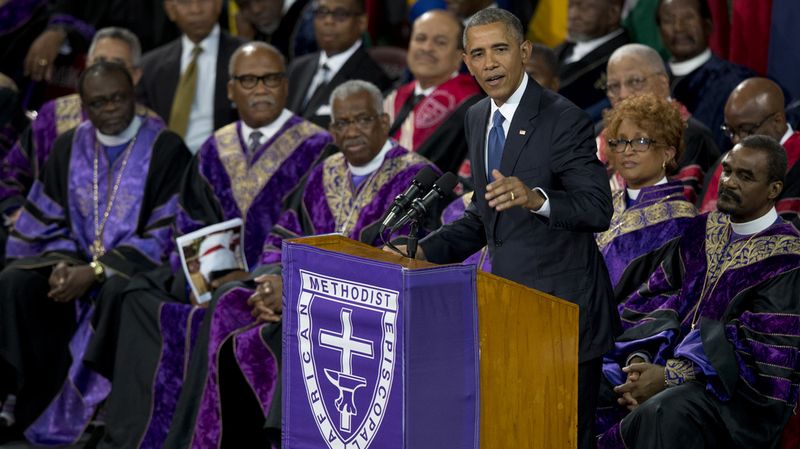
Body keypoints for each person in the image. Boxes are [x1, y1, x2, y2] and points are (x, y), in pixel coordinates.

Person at [161, 80, 440, 449]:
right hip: (303, 298)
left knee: (265, 338)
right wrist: (272, 283)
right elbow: (282, 235)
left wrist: (292, 292)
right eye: (341, 123)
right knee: (229, 298)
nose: (352, 132)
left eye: (362, 120)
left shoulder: (416, 179)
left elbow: (395, 261)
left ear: (384, 121)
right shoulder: (324, 172)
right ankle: (207, 438)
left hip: (362, 313)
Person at [90, 41, 332, 449]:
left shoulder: (318, 147)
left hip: (273, 287)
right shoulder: (213, 147)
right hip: (210, 282)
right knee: (129, 294)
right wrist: (202, 280)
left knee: (223, 303)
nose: (260, 89)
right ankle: (130, 432)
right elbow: (189, 221)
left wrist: (263, 279)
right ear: (230, 89)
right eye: (248, 80)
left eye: (271, 78)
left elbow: (317, 228)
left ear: (286, 86)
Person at [406, 8, 619, 449]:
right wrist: (421, 253)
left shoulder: (565, 118)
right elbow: (485, 220)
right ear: (466, 61)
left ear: (524, 51)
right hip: (508, 312)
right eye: (478, 54)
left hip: (562, 319)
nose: (490, 64)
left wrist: (536, 198)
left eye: (500, 49)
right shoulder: (477, 116)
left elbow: (598, 208)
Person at [0, 61, 191, 445]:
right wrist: (61, 265)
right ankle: (23, 399)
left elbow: (167, 232)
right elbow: (46, 218)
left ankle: (101, 411)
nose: (111, 109)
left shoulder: (166, 148)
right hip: (73, 262)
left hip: (133, 272)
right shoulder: (70, 145)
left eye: (119, 98)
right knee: (16, 282)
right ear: (84, 105)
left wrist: (98, 271)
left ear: (133, 96)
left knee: (119, 293)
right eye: (98, 103)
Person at [597, 136, 800, 449]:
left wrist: (671, 376)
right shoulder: (702, 230)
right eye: (728, 171)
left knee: (663, 412)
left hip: (734, 393)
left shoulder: (787, 259)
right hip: (663, 361)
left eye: (745, 177)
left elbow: (761, 350)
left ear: (774, 189)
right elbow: (659, 296)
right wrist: (641, 359)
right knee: (590, 383)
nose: (729, 182)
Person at [0, 27, 151, 228]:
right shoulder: (52, 115)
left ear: (135, 76)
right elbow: (11, 171)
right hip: (46, 238)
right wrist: (16, 210)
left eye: (118, 64)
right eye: (99, 61)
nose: (105, 71)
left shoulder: (153, 131)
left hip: (124, 242)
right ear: (87, 65)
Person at [596, 94, 697, 290]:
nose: (628, 151)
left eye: (641, 142)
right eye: (621, 141)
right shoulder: (604, 205)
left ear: (667, 153)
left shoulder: (683, 222)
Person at [598, 43, 719, 202]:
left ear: (663, 82)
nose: (623, 94)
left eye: (635, 82)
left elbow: (686, 207)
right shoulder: (598, 133)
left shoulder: (691, 135)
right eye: (614, 86)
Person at [383, 9, 482, 176]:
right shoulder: (390, 95)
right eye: (420, 39)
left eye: (440, 42)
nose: (427, 48)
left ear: (460, 57)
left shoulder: (472, 111)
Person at [136, 0, 242, 152]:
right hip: (168, 166)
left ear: (218, 4)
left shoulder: (246, 57)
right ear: (170, 9)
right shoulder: (150, 67)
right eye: (185, 2)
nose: (196, 10)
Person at [700, 78, 800, 227]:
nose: (736, 141)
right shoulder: (725, 163)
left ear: (777, 121)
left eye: (746, 130)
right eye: (730, 131)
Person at [658, 0, 755, 150]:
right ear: (660, 31)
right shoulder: (649, 81)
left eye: (688, 18)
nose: (679, 27)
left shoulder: (738, 82)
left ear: (708, 25)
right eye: (669, 20)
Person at [285, 0, 391, 129]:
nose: (328, 21)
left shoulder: (374, 81)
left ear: (362, 22)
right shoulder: (297, 68)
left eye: (340, 14)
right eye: (322, 12)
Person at [556, 0, 629, 120]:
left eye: (585, 7)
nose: (573, 14)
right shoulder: (558, 50)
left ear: (613, 13)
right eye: (571, 5)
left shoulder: (625, 60)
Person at [233, 0, 309, 61]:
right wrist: (245, 42)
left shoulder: (308, 13)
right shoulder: (252, 31)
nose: (256, 9)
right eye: (244, 5)